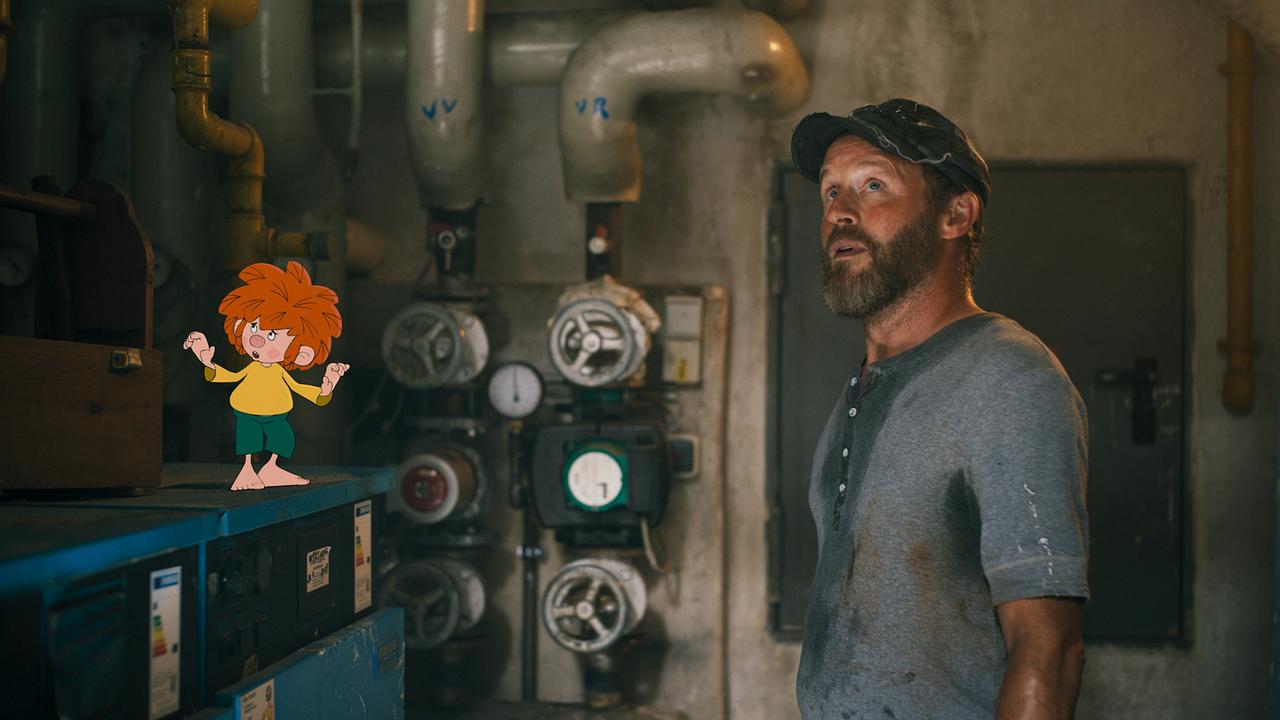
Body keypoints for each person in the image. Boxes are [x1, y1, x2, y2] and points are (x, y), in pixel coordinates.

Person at [789, 99, 1090, 719]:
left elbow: (1049, 650)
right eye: (830, 191)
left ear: (956, 215)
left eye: (873, 185)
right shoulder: (865, 386)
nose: (840, 211)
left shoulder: (1010, 378)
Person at [183, 261, 349, 491]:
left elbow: (299, 388)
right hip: (247, 410)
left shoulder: (280, 370)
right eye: (253, 327)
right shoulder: (252, 368)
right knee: (249, 438)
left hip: (277, 413)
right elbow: (230, 376)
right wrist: (206, 361)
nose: (257, 338)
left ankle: (271, 468)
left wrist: (326, 389)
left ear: (303, 352)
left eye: (272, 334)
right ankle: (247, 470)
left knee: (282, 437)